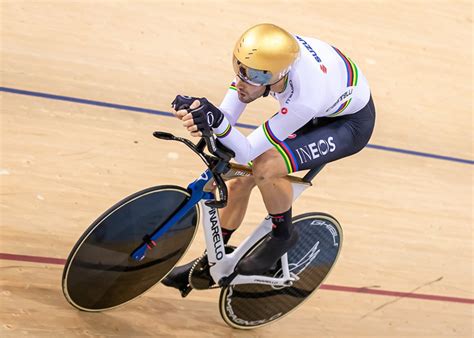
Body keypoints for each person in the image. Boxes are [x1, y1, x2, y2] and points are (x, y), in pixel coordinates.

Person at [162, 23, 375, 292]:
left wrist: (215, 119)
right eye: (239, 69)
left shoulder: (304, 96)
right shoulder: (259, 65)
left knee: (263, 167)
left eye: (253, 77)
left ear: (277, 76)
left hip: (346, 124)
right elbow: (226, 119)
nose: (242, 83)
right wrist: (199, 113)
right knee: (238, 178)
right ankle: (213, 261)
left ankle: (283, 235)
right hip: (321, 101)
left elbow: (246, 151)